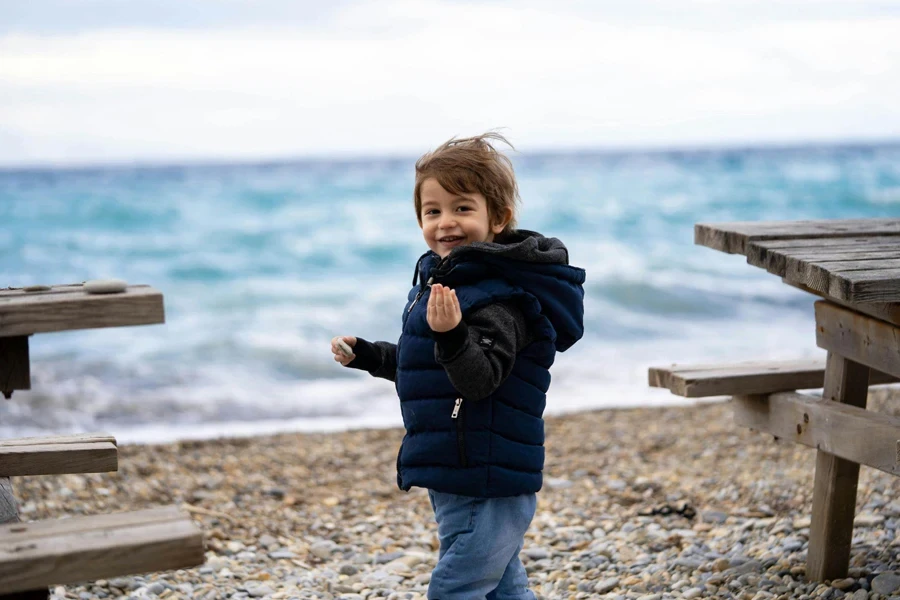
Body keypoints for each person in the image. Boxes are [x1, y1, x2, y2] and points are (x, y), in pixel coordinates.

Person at [330, 132, 585, 600]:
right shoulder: (442, 281)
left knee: (457, 587)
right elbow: (424, 365)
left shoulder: (501, 298)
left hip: (486, 471)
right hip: (455, 466)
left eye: (462, 208)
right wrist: (368, 355)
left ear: (498, 218)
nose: (446, 222)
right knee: (501, 587)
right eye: (433, 211)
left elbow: (479, 379)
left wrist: (451, 333)